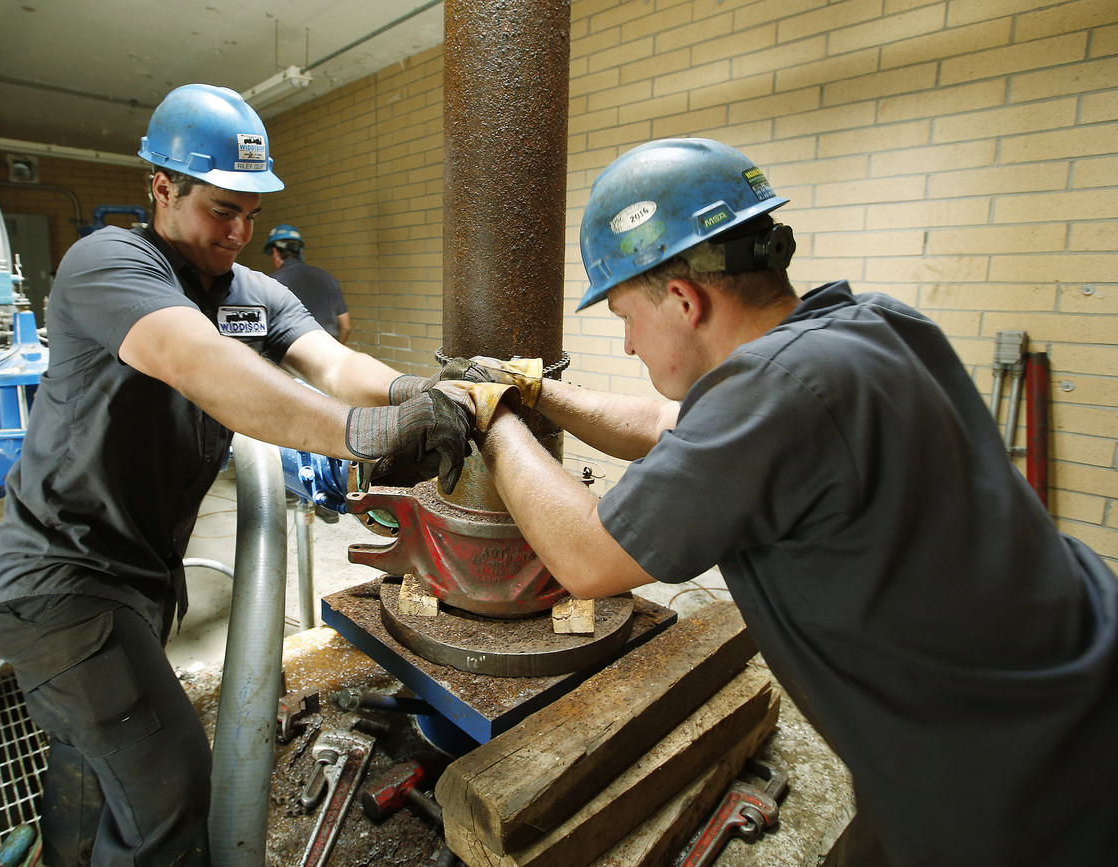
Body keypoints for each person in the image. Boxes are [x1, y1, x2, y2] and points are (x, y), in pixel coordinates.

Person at [463, 138, 1118, 866]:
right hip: (1063, 686)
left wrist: (493, 419)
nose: (624, 345)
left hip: (1020, 788)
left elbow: (586, 555)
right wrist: (537, 391)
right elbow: (667, 428)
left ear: (684, 299)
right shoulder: (869, 325)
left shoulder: (775, 393)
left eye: (624, 316)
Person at [0, 84, 470, 867]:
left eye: (252, 214)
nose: (239, 232)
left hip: (138, 578)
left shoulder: (249, 292)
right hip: (62, 583)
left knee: (98, 768)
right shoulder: (111, 263)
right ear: (161, 188)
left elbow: (332, 360)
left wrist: (423, 393)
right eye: (220, 210)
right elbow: (197, 361)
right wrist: (362, 435)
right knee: (171, 803)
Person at [264, 224, 352, 344]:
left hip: (290, 357)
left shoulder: (271, 283)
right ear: (300, 251)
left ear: (275, 252)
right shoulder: (328, 278)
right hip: (328, 355)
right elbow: (346, 326)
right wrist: (336, 350)